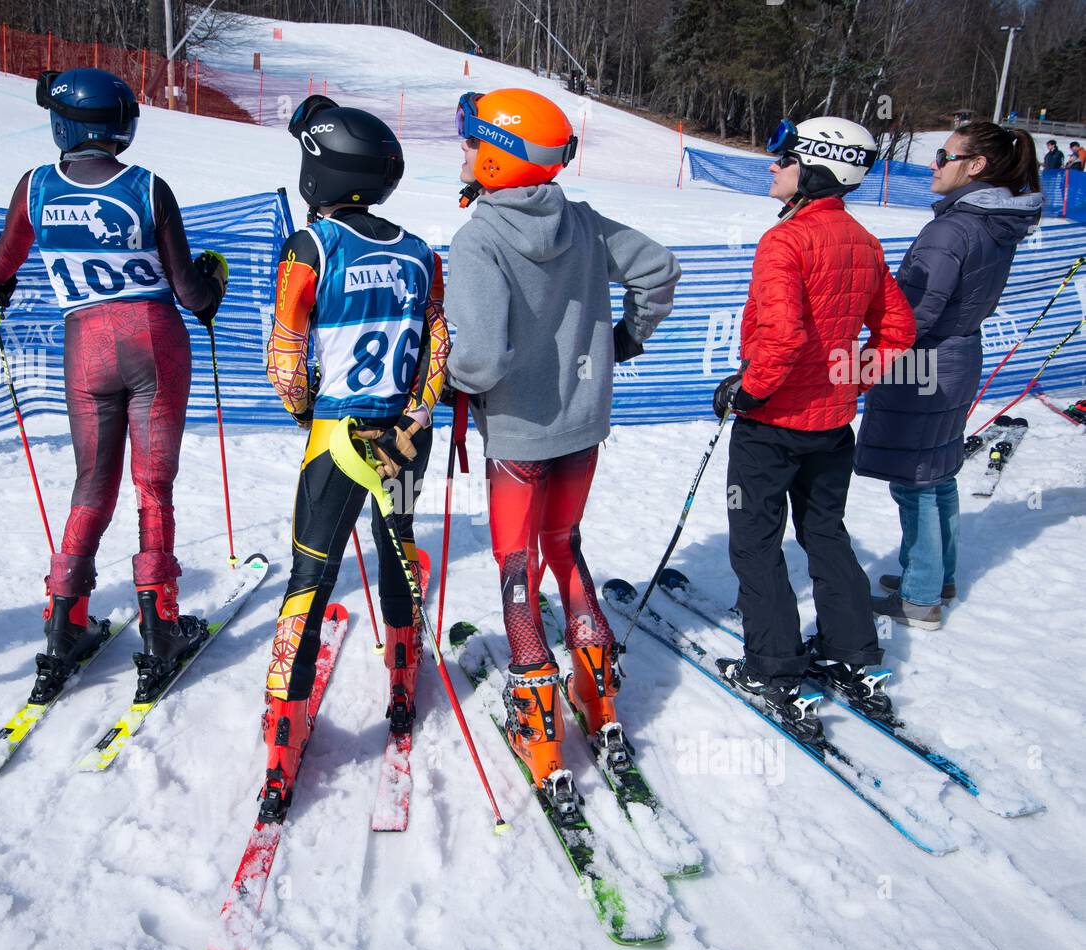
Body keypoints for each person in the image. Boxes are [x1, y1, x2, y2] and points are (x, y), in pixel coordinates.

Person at [445, 88, 680, 812]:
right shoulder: (579, 221)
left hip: (518, 435)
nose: (462, 153)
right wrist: (625, 342)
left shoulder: (479, 239)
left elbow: (480, 359)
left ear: (494, 157)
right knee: (566, 547)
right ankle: (599, 700)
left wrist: (450, 377)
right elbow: (659, 269)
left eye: (470, 142)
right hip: (583, 426)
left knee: (518, 570)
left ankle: (540, 727)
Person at [0, 68, 224, 704]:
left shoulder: (35, 187)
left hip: (85, 344)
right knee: (152, 484)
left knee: (90, 482)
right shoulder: (148, 188)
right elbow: (192, 294)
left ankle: (64, 626)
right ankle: (160, 627)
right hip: (154, 340)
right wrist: (214, 279)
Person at [257, 96, 450, 822]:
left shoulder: (313, 245)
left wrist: (303, 408)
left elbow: (285, 355)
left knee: (312, 573)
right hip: (404, 433)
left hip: (336, 436)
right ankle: (403, 679)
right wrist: (419, 409)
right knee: (398, 549)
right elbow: (439, 340)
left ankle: (281, 737)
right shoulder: (418, 249)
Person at [710, 116, 916, 721]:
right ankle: (853, 653)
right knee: (824, 534)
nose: (771, 167)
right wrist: (848, 378)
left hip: (773, 427)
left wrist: (748, 390)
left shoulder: (788, 240)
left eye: (783, 158)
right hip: (830, 427)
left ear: (816, 169)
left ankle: (772, 668)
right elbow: (898, 331)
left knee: (755, 543)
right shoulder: (861, 238)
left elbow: (784, 335)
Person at [855, 122, 1042, 628]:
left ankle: (920, 596)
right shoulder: (989, 221)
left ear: (975, 166)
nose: (934, 164)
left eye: (944, 155)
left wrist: (870, 356)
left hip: (927, 363)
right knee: (937, 472)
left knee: (915, 480)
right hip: (958, 357)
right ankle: (939, 575)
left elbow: (914, 313)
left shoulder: (952, 228)